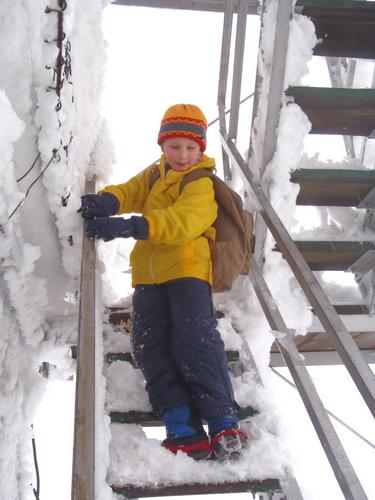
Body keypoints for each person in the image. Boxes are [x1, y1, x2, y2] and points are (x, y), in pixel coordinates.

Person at [78, 104, 248, 461]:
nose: (183, 154)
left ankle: (222, 422)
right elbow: (129, 190)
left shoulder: (200, 183)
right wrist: (108, 201)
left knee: (194, 341)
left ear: (200, 149)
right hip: (149, 279)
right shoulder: (156, 174)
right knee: (148, 346)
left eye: (190, 147)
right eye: (174, 146)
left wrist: (132, 226)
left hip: (187, 272)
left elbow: (183, 223)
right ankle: (182, 426)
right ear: (162, 146)